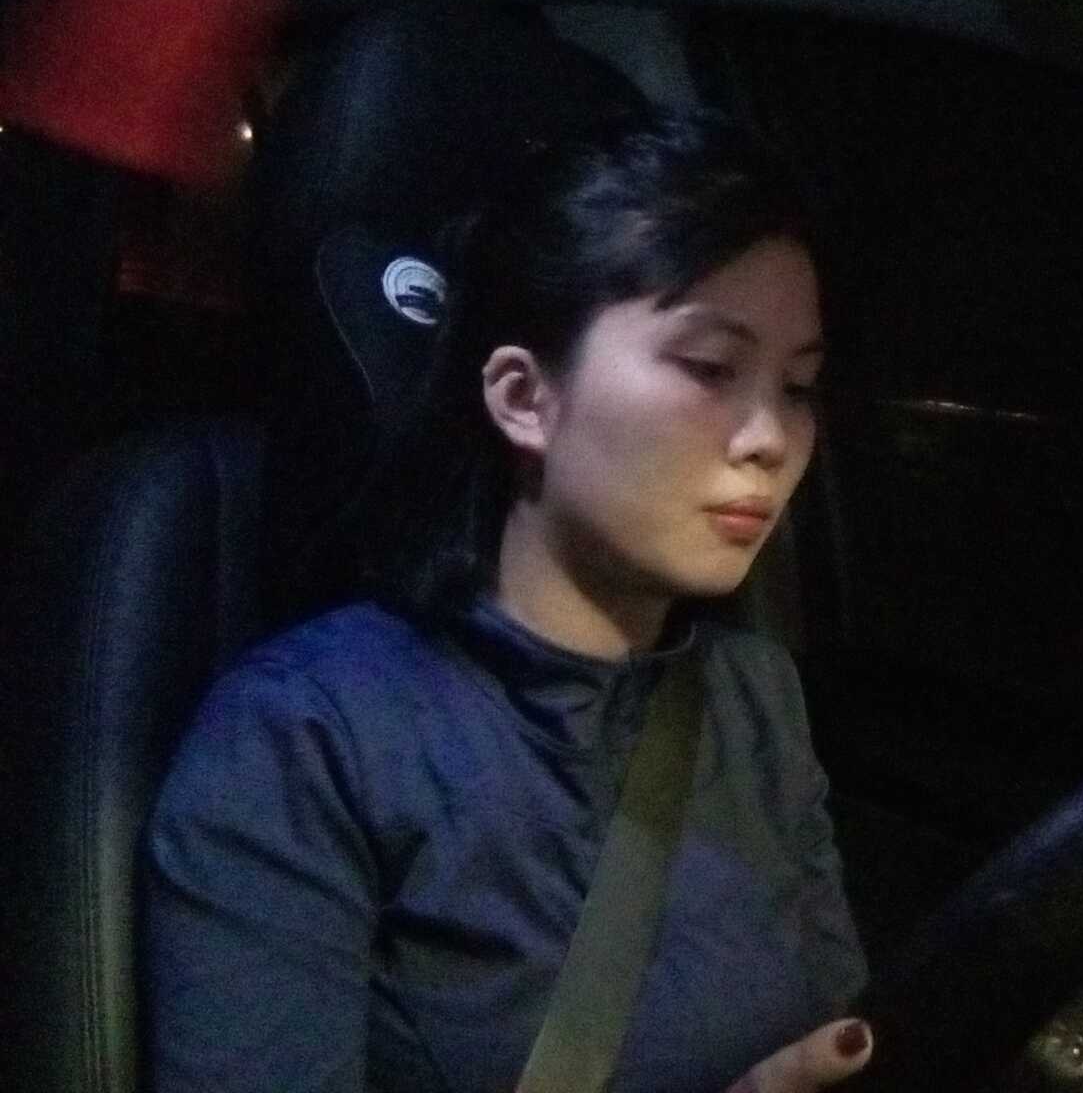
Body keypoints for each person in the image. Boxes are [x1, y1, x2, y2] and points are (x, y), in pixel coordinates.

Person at [142, 108, 873, 1093]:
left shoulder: (754, 699)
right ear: (525, 398)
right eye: (710, 367)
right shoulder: (310, 736)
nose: (770, 438)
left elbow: (838, 1026)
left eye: (798, 386)